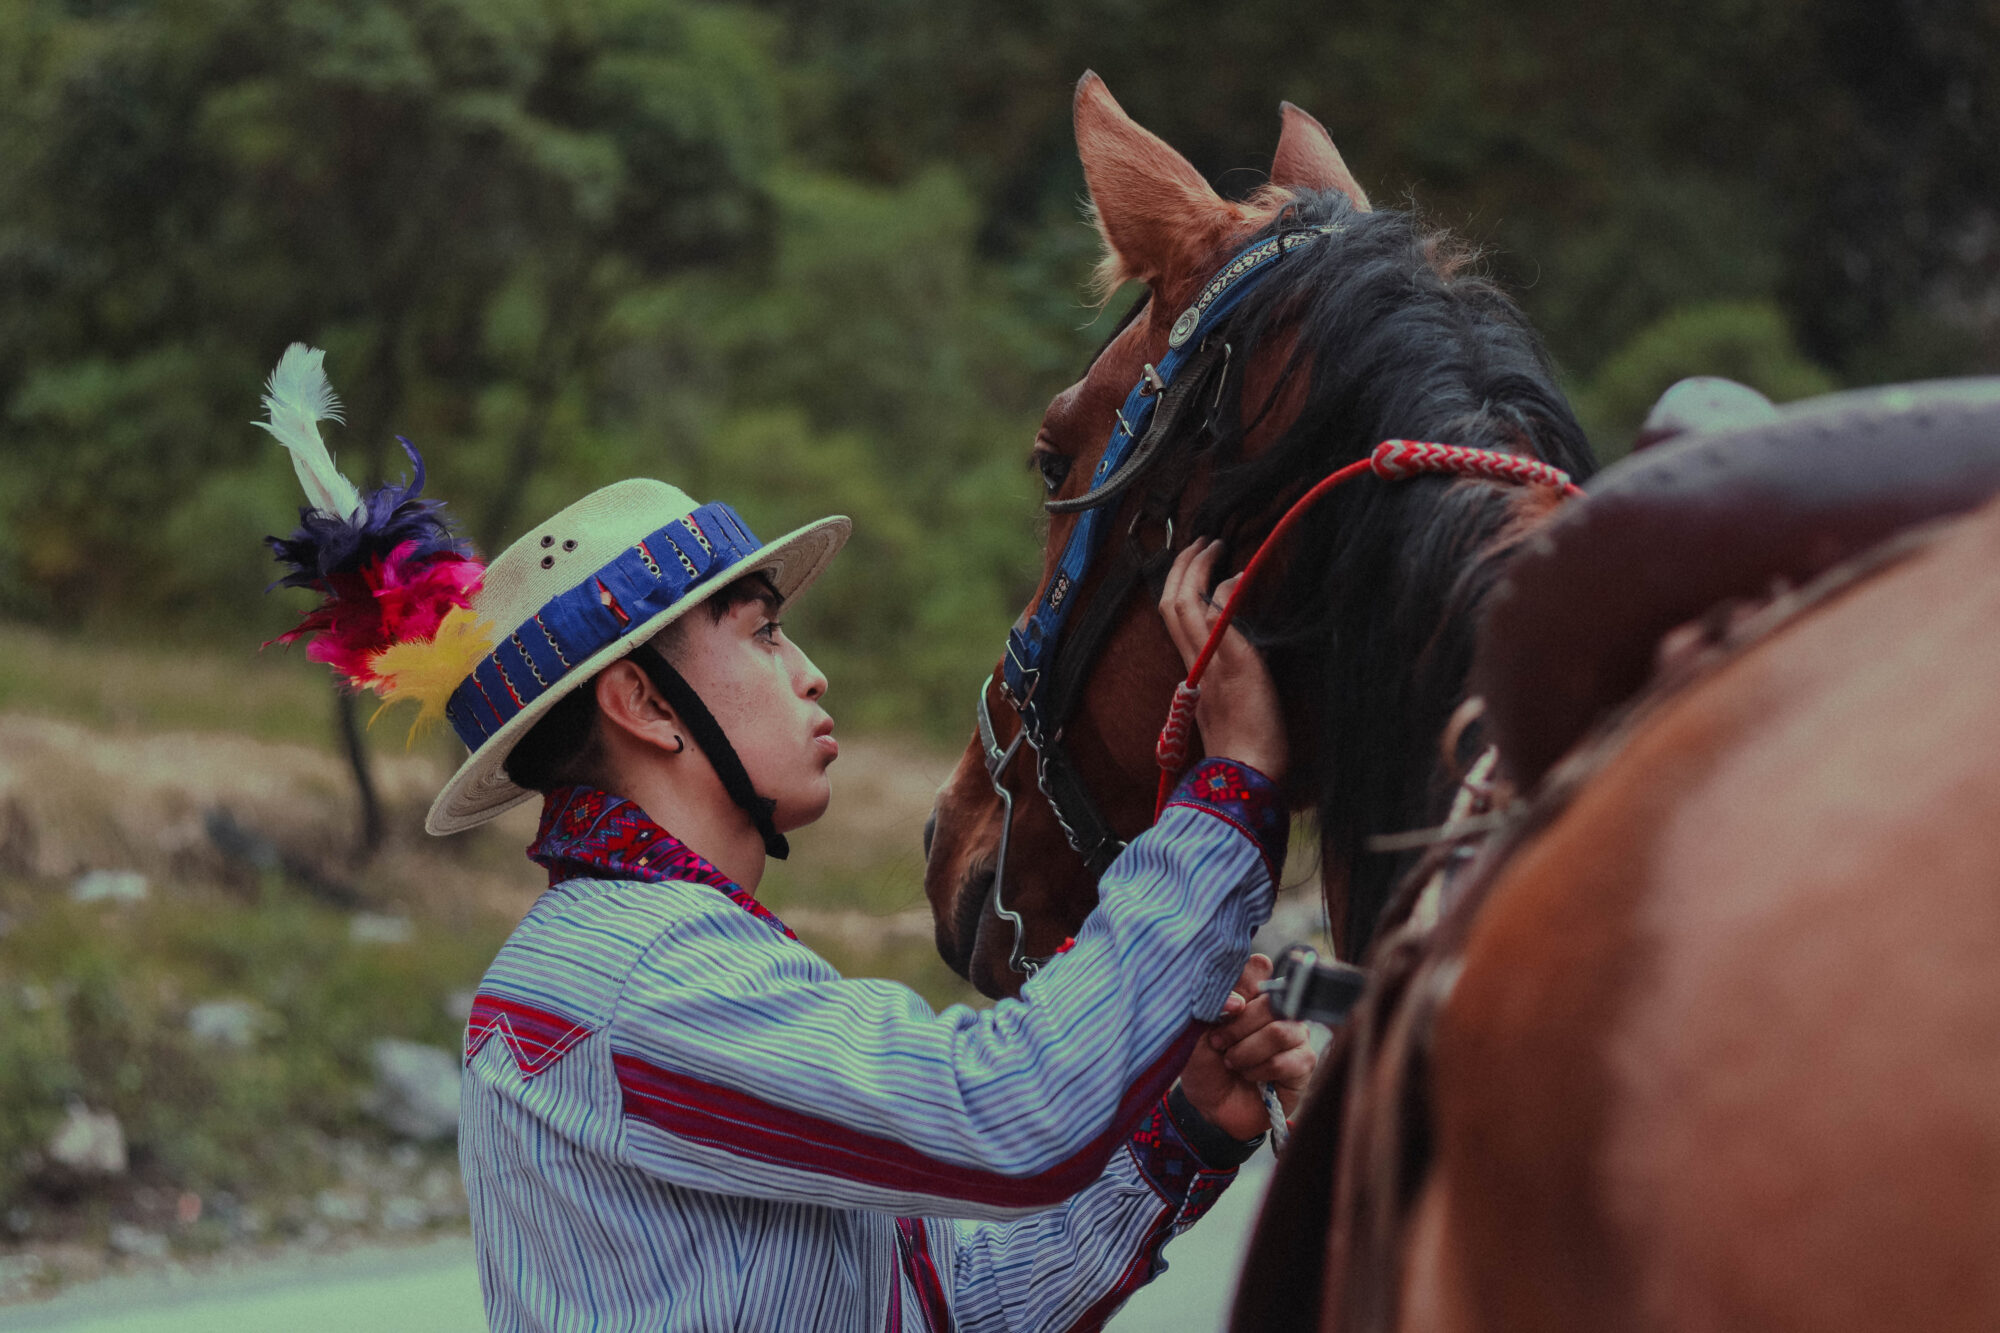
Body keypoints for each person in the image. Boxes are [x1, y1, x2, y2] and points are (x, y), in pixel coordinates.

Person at [257, 344, 1313, 1331]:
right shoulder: (640, 973)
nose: (807, 670)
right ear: (641, 700)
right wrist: (1226, 798)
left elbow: (940, 1306)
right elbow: (1008, 1114)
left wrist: (1180, 1134)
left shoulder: (636, 954)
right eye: (761, 632)